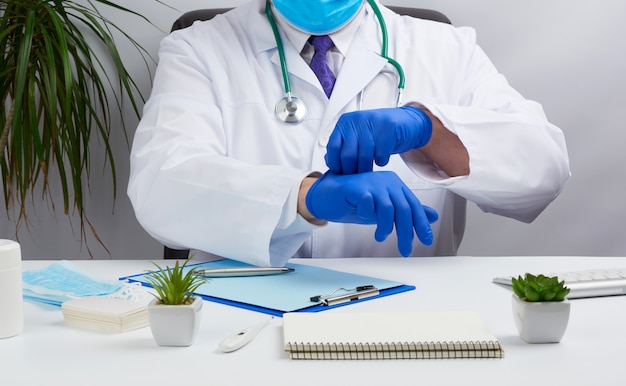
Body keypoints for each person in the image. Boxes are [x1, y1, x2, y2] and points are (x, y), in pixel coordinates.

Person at [127, 0, 570, 267]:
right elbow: (160, 185)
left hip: (413, 317)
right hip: (243, 317)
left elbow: (543, 171)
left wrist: (428, 128)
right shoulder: (198, 49)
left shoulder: (446, 47)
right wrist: (302, 198)